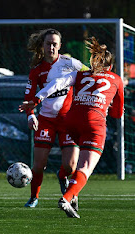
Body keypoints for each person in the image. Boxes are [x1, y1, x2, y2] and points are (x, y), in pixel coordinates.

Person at [20, 36, 124, 218]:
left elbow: (58, 83)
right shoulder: (115, 78)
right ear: (110, 67)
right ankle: (64, 197)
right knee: (84, 166)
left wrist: (37, 99)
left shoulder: (78, 70)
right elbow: (117, 113)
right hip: (87, 122)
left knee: (71, 165)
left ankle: (65, 181)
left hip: (70, 120)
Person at [23, 28, 88, 208]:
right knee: (38, 165)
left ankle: (62, 176)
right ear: (42, 46)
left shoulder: (69, 63)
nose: (51, 47)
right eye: (48, 44)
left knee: (70, 166)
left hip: (68, 120)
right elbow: (29, 98)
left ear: (60, 46)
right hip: (46, 120)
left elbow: (89, 74)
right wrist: (31, 116)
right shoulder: (36, 70)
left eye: (54, 44)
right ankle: (34, 197)